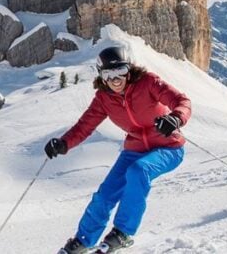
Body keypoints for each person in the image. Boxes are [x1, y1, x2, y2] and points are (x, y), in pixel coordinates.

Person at [46, 46, 192, 254]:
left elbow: (182, 101)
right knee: (105, 195)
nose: (115, 80)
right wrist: (64, 143)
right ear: (101, 76)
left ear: (129, 70)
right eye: (108, 74)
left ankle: (122, 233)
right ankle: (83, 241)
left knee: (139, 171)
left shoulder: (148, 82)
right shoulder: (104, 98)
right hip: (134, 150)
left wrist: (175, 117)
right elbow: (84, 126)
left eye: (120, 72)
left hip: (168, 147)